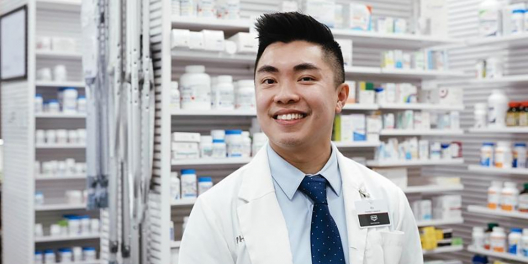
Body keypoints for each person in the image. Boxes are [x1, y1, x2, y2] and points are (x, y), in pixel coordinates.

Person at [178, 12, 423, 264]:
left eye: (305, 78)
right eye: (269, 80)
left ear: (341, 97)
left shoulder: (388, 198)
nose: (284, 96)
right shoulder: (214, 211)